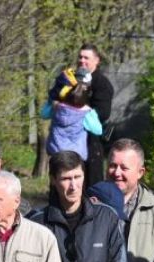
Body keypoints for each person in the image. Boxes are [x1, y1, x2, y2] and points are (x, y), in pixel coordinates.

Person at [49, 44, 114, 185]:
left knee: (89, 190)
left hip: (90, 148)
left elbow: (103, 113)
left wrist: (78, 114)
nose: (82, 60)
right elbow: (52, 98)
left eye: (86, 58)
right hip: (62, 148)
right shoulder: (67, 79)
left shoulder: (102, 84)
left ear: (97, 60)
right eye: (80, 57)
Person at [42, 67, 103, 161]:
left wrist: (52, 102)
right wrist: (91, 112)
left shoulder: (56, 106)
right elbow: (98, 130)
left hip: (55, 153)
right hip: (76, 156)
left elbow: (44, 114)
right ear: (87, 89)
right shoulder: (86, 113)